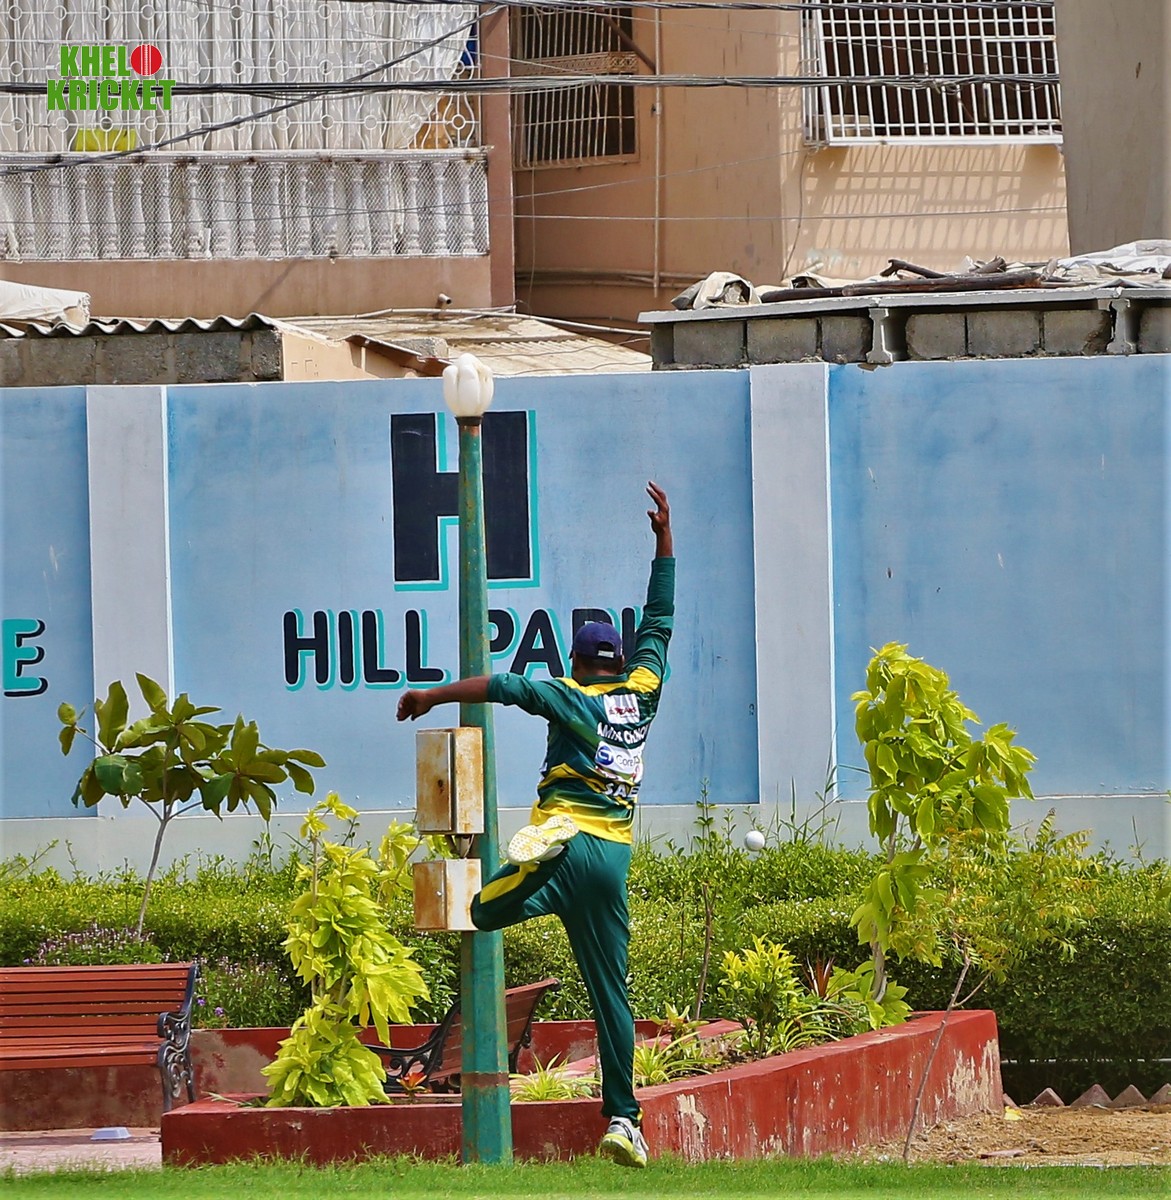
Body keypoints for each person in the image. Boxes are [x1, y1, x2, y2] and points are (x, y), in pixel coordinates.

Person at [396, 481, 674, 1168]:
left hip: (566, 843)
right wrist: (663, 539)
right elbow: (660, 621)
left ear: (577, 663)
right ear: (621, 663)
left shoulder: (568, 693)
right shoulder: (643, 693)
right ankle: (624, 1119)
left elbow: (501, 687)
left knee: (481, 910)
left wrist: (430, 695)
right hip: (611, 862)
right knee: (612, 995)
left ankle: (533, 865)